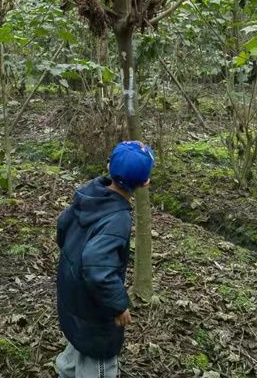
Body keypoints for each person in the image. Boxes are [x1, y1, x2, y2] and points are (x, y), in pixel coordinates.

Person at [55, 140, 155, 378]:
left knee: (76, 348)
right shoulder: (118, 217)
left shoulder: (89, 194)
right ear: (145, 182)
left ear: (109, 165)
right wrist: (118, 305)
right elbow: (97, 266)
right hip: (94, 310)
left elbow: (62, 225)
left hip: (71, 293)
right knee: (98, 361)